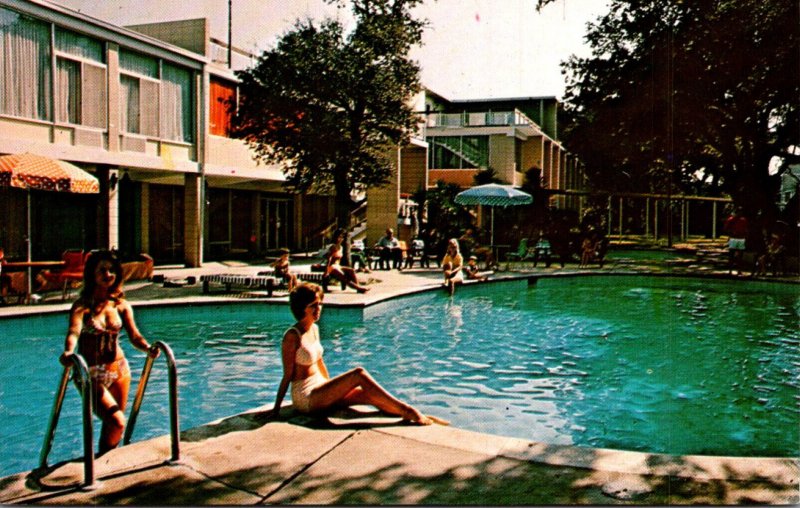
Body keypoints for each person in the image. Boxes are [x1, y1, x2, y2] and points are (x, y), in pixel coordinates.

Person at [267, 283, 447, 425]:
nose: (319, 309)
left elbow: (320, 363)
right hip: (305, 396)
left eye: (320, 303)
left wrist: (331, 387)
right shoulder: (292, 336)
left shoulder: (314, 328)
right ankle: (408, 411)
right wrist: (276, 410)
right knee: (358, 374)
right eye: (313, 305)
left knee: (367, 394)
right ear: (302, 308)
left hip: (320, 389)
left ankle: (403, 412)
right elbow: (287, 375)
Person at [59, 249, 158, 454]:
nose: (108, 274)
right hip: (91, 373)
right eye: (102, 270)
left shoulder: (120, 305)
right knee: (116, 421)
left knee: (114, 425)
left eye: (112, 270)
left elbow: (134, 336)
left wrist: (148, 348)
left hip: (119, 369)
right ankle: (99, 465)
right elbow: (73, 332)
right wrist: (69, 352)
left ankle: (103, 463)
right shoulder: (82, 307)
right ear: (91, 274)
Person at [723, 207, 749, 275]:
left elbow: (746, 229)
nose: (740, 213)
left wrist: (745, 235)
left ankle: (739, 270)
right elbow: (726, 228)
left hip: (741, 239)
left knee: (740, 256)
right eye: (738, 212)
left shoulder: (743, 220)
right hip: (734, 238)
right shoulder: (731, 219)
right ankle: (730, 270)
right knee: (731, 254)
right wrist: (732, 232)